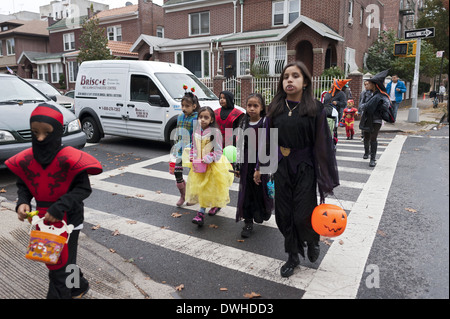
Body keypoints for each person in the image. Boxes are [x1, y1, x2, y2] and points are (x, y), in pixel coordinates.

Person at [5, 103, 102, 299]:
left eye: (47, 133)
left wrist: (60, 206)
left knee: (58, 266)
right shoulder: (28, 159)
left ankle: (62, 294)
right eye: (35, 132)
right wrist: (22, 202)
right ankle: (78, 287)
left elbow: (83, 189)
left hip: (70, 220)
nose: (40, 138)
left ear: (57, 132)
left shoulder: (71, 159)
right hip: (43, 220)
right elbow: (24, 184)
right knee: (63, 262)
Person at [263, 61, 339, 277]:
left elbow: (323, 144)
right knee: (284, 216)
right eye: (286, 76)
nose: (289, 80)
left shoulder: (315, 109)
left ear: (305, 82)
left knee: (302, 214)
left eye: (295, 76)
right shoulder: (275, 108)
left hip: (305, 167)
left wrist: (324, 174)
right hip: (281, 167)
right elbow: (267, 140)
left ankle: (312, 239)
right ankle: (293, 255)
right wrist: (261, 167)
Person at [184, 106, 234, 226]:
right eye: (200, 117)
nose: (203, 120)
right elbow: (194, 147)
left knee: (212, 188)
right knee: (202, 188)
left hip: (213, 166)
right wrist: (192, 155)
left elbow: (218, 151)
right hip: (200, 165)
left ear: (211, 120)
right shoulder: (196, 132)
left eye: (206, 117)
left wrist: (208, 158)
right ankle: (202, 212)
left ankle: (208, 209)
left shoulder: (215, 132)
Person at [234, 93, 273, 238]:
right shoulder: (243, 122)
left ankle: (264, 210)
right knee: (247, 192)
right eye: (249, 105)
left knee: (261, 190)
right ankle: (248, 222)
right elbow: (239, 145)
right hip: (246, 162)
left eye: (255, 106)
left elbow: (267, 146)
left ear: (262, 107)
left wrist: (260, 168)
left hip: (261, 161)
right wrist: (237, 166)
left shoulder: (265, 122)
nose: (251, 108)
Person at [209, 90, 244, 216]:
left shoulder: (238, 114)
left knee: (224, 175)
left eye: (224, 98)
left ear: (229, 99)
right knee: (215, 175)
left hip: (230, 145)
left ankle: (219, 201)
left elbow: (240, 131)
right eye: (220, 98)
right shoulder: (216, 112)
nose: (221, 100)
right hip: (217, 143)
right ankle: (216, 202)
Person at [172, 87, 199, 207]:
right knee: (177, 172)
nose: (183, 108)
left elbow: (198, 135)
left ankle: (194, 196)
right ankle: (183, 195)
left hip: (193, 151)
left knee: (195, 175)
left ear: (194, 106)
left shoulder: (197, 117)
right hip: (180, 150)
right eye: (182, 105)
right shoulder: (180, 117)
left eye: (187, 106)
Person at [359, 70, 390, 167]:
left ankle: (373, 159)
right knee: (366, 136)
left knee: (373, 137)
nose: (368, 85)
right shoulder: (366, 93)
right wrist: (367, 106)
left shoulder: (382, 95)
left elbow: (386, 106)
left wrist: (379, 105)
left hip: (376, 119)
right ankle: (366, 152)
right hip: (367, 118)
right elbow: (361, 106)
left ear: (375, 85)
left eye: (370, 83)